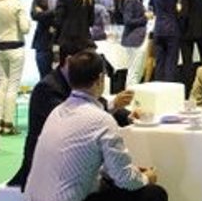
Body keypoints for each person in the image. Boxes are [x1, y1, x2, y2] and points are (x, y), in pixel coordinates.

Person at [24, 50, 167, 201]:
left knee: (114, 193)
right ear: (100, 79)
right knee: (153, 197)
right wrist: (146, 177)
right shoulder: (101, 120)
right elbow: (126, 180)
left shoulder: (57, 112)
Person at [8, 35, 135, 189]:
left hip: (71, 160)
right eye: (87, 60)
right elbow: (78, 120)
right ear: (69, 61)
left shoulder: (79, 82)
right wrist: (113, 104)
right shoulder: (47, 89)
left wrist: (129, 116)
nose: (92, 66)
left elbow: (98, 103)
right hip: (47, 169)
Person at [0, 0, 30, 135]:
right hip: (15, 47)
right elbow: (25, 28)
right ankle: (8, 124)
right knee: (13, 87)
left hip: (0, 48)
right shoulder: (18, 5)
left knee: (2, 85)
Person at [150, 0, 181, 82]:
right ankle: (169, 87)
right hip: (172, 29)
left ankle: (158, 86)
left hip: (158, 29)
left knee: (159, 62)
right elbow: (179, 10)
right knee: (171, 62)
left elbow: (152, 8)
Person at [119, 0, 149, 89]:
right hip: (134, 39)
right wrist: (145, 18)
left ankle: (132, 94)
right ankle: (130, 96)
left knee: (137, 72)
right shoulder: (130, 0)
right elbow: (128, 21)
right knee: (134, 72)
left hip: (137, 38)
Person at [30, 0, 60, 78]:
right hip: (42, 43)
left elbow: (64, 16)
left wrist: (43, 13)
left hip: (60, 41)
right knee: (44, 78)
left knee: (61, 78)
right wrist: (55, 12)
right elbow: (34, 15)